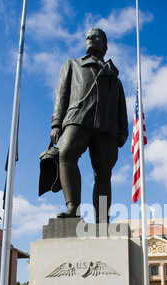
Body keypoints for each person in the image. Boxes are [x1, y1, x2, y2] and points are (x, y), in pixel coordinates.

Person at [50, 28, 129, 222]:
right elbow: (61, 95)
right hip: (78, 117)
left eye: (96, 37)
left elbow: (121, 108)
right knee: (66, 153)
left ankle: (102, 219)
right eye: (87, 37)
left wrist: (123, 131)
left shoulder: (115, 79)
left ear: (105, 45)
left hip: (107, 126)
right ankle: (72, 208)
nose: (90, 39)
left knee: (103, 172)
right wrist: (56, 123)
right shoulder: (72, 65)